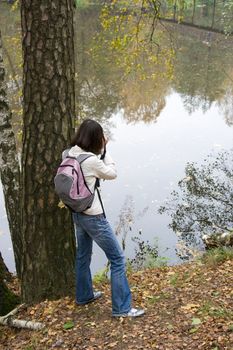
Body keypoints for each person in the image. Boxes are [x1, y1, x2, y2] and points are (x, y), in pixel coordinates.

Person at [66, 119, 144, 317]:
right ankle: (122, 308)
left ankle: (83, 296)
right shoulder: (91, 161)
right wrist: (106, 150)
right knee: (117, 258)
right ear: (96, 138)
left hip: (77, 213)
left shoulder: (67, 154)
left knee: (82, 256)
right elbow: (112, 173)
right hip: (94, 217)